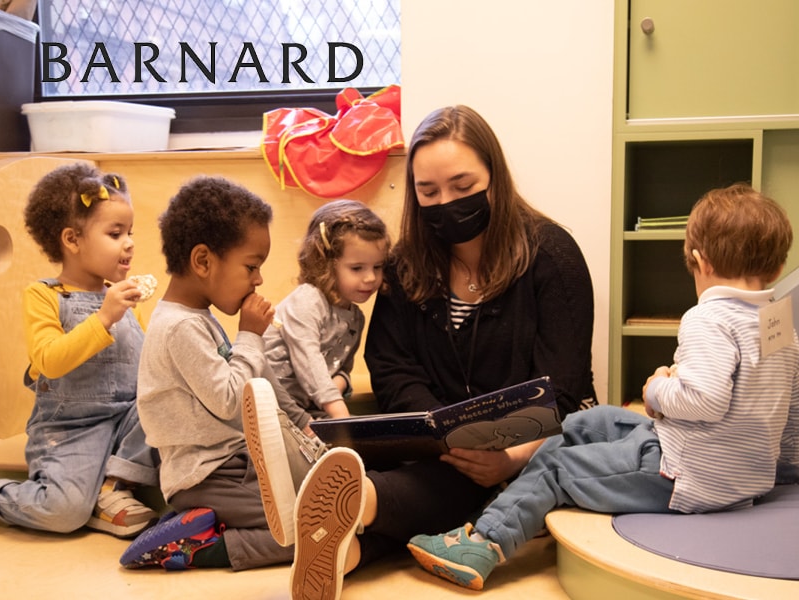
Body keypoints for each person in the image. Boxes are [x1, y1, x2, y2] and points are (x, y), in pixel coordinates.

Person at [250, 105, 597, 599]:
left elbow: (566, 385)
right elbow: (391, 367)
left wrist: (508, 456)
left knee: (466, 484)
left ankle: (356, 506)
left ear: (494, 179)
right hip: (441, 444)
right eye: (428, 191)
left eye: (461, 186)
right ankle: (347, 552)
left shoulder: (552, 256)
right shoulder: (408, 264)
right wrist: (442, 430)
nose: (445, 202)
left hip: (534, 445)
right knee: (405, 458)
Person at [406, 182, 799, 590]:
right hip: (732, 473)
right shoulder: (779, 324)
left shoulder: (709, 318)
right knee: (586, 421)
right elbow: (790, 408)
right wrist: (781, 473)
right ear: (775, 266)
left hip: (686, 475)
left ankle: (483, 544)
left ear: (700, 261)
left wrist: (656, 389)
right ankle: (521, 506)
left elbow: (705, 400)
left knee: (559, 467)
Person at [118, 176, 323, 571]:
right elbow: (231, 402)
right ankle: (197, 546)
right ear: (203, 262)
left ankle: (199, 529)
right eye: (251, 266)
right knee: (312, 528)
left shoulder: (198, 318)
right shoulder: (179, 328)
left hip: (233, 466)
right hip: (208, 477)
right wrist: (248, 335)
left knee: (323, 515)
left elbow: (258, 377)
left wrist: (306, 425)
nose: (258, 279)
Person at [0, 163, 160, 538]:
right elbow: (50, 361)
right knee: (63, 513)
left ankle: (111, 491)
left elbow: (144, 368)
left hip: (128, 424)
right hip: (71, 429)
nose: (130, 242)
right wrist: (103, 317)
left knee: (164, 397)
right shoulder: (44, 295)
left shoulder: (121, 298)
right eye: (115, 233)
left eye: (130, 232)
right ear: (72, 240)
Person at [264, 199, 390, 423]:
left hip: (307, 409)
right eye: (357, 268)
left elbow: (341, 369)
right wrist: (341, 415)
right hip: (267, 407)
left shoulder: (355, 318)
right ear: (325, 262)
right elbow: (310, 363)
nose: (371, 278)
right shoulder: (308, 301)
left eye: (377, 267)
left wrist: (337, 385)